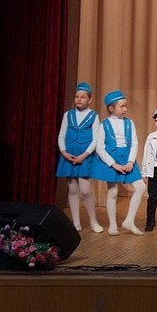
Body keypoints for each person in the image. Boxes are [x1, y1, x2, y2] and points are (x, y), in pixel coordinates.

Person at [91, 90, 146, 236]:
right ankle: (113, 225)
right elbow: (100, 148)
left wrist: (130, 161)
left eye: (125, 106)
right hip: (112, 160)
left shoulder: (129, 123)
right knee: (113, 192)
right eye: (122, 106)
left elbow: (134, 143)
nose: (125, 109)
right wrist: (114, 164)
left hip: (127, 159)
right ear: (111, 108)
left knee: (140, 187)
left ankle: (129, 221)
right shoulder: (104, 125)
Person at [56, 82, 102, 233]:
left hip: (85, 157)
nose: (79, 99)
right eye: (77, 96)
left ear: (90, 99)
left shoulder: (93, 116)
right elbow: (61, 136)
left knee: (85, 190)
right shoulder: (68, 115)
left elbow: (95, 139)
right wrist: (64, 152)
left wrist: (84, 155)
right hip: (69, 156)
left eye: (83, 97)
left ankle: (93, 221)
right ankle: (76, 223)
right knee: (73, 189)